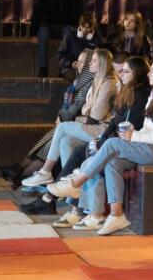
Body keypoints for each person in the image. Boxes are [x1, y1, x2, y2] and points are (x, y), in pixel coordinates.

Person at [46, 55, 153, 236]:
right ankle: (116, 214)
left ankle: (76, 182)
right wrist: (134, 132)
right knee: (112, 161)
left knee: (111, 144)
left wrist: (134, 136)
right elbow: (148, 128)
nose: (150, 73)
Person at [20, 48, 119, 188]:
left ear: (102, 64)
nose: (90, 63)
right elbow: (87, 109)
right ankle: (69, 186)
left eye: (94, 60)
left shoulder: (109, 84)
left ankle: (45, 171)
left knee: (61, 127)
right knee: (66, 141)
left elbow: (95, 116)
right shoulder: (96, 81)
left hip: (103, 130)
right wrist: (87, 111)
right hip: (93, 125)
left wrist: (86, 112)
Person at [31, 0, 84, 77]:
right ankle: (42, 69)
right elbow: (37, 11)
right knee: (42, 34)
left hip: (66, 25)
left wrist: (78, 27)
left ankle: (63, 69)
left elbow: (80, 12)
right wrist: (33, 33)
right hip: (47, 25)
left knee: (69, 34)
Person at [57, 13, 99, 82]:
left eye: (88, 27)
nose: (84, 29)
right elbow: (60, 55)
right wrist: (70, 63)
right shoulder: (70, 36)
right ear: (80, 24)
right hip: (70, 69)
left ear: (92, 27)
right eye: (83, 26)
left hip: (89, 70)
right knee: (80, 79)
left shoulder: (96, 38)